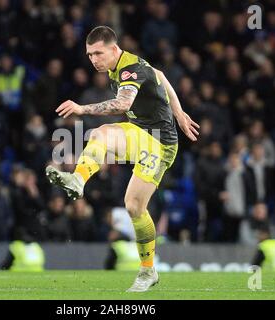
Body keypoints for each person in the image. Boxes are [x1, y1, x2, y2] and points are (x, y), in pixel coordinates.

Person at [45, 26, 199, 292]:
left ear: (114, 49)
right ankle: (78, 180)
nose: (94, 59)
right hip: (142, 133)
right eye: (90, 54)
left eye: (98, 53)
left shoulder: (129, 70)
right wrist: (179, 111)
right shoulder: (123, 66)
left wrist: (81, 108)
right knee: (130, 200)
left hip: (161, 144)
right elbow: (160, 75)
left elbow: (123, 105)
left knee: (131, 201)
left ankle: (78, 181)